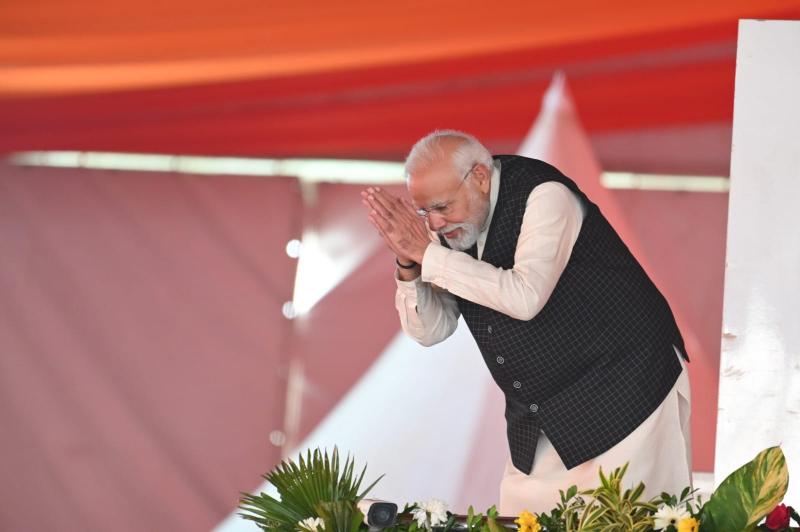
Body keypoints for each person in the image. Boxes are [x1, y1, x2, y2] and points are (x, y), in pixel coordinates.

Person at [360, 130, 692, 515]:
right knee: (524, 520)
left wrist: (426, 252)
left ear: (480, 178)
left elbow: (524, 296)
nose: (434, 223)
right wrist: (409, 263)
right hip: (541, 413)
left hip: (626, 388)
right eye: (423, 213)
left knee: (625, 520)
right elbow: (432, 330)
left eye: (442, 207)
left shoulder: (544, 195)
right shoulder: (447, 230)